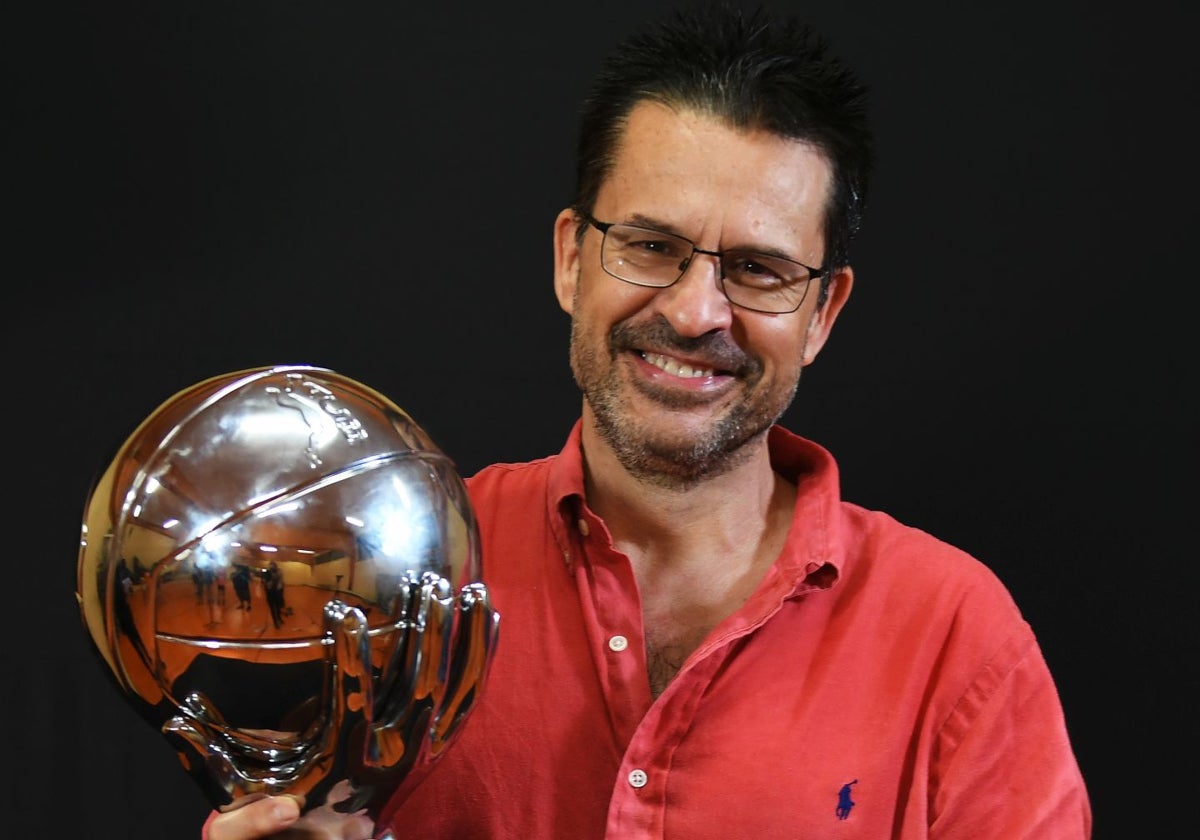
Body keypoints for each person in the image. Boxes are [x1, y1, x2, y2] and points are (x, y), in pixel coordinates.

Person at [207, 2, 1091, 837]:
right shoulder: (394, 587)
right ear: (570, 259)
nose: (696, 311)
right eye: (652, 247)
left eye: (759, 269)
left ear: (822, 315)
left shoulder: (953, 637)